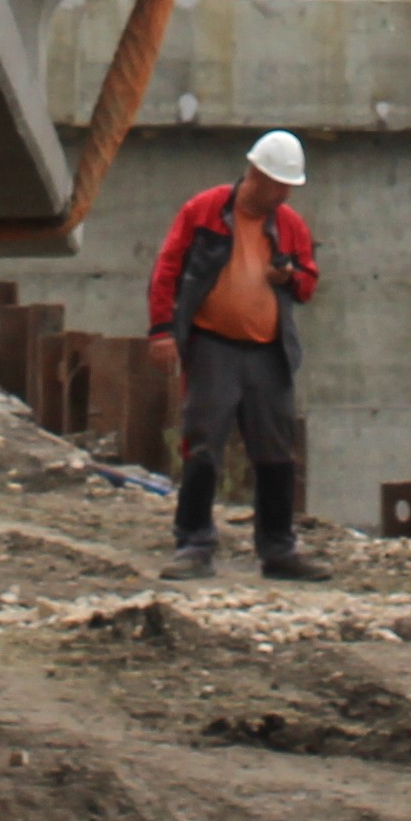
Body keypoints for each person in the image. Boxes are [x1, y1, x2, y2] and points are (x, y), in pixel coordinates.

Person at [146, 130, 322, 581]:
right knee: (203, 441)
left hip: (267, 351)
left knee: (276, 449)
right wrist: (162, 331)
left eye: (288, 188)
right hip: (213, 346)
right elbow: (168, 268)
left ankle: (278, 548)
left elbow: (308, 282)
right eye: (279, 185)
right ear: (256, 175)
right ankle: (194, 542)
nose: (283, 195)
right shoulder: (203, 211)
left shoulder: (290, 226)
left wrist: (289, 279)